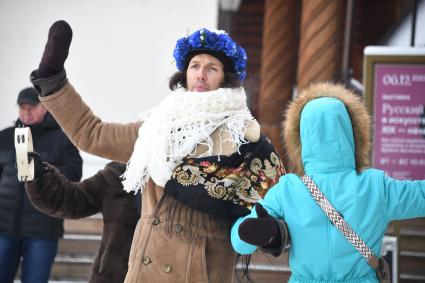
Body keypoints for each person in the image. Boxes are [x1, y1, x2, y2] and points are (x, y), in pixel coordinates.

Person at [29, 21, 286, 282]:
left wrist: (272, 233)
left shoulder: (242, 136)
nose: (201, 74)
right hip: (145, 271)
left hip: (201, 273)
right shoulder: (156, 128)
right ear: (184, 74)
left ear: (225, 78)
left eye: (212, 68)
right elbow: (92, 134)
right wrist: (53, 80)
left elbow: (277, 203)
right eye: (194, 66)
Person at [231, 83, 425, 283]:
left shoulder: (288, 190)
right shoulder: (376, 186)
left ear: (300, 138)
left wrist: (258, 232)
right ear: (353, 134)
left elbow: (239, 242)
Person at [0, 87, 82, 283]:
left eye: (32, 107)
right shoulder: (4, 137)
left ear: (44, 107)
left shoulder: (62, 139)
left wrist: (43, 170)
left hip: (42, 229)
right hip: (3, 226)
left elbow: (74, 173)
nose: (26, 113)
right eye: (22, 108)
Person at [25, 153, 139, 283]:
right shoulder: (119, 174)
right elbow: (70, 199)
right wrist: (40, 175)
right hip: (113, 276)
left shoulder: (167, 184)